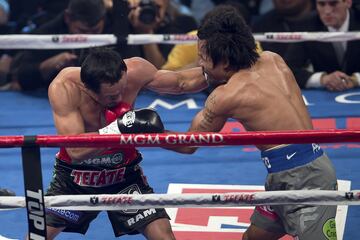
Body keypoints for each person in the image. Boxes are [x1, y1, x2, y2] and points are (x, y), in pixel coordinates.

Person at [169, 6, 338, 240]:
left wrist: (149, 130)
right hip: (288, 173)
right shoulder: (273, 59)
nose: (200, 62)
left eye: (203, 56)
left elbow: (188, 144)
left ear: (225, 61)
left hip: (308, 181)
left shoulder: (227, 95)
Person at [44, 47, 208, 239]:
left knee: (164, 237)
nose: (121, 98)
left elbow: (181, 82)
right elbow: (76, 151)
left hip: (124, 175)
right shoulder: (64, 87)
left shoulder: (136, 70)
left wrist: (226, 69)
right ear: (87, 88)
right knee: (38, 236)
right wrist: (119, 128)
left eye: (123, 89)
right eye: (112, 96)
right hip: (76, 179)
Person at [285, 0, 360, 91]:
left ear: (348, 2)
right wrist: (322, 79)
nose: (327, 11)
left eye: (333, 3)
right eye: (321, 4)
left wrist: (356, 79)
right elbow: (288, 68)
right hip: (325, 95)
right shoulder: (307, 25)